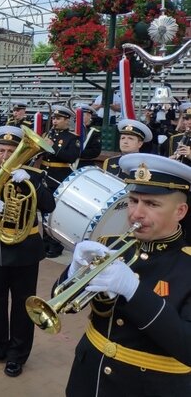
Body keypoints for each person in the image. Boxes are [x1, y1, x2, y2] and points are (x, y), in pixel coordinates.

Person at [62, 153, 191, 396]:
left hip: (149, 387)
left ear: (180, 211)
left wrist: (134, 292)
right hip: (89, 377)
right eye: (133, 200)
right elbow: (64, 305)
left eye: (151, 204)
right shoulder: (109, 244)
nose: (136, 213)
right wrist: (74, 270)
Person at [0, 125, 56, 378]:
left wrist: (32, 185)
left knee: (21, 304)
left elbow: (50, 205)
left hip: (25, 249)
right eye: (1, 150)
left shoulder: (35, 175)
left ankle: (17, 354)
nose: (5, 156)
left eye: (10, 150)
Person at [41, 105, 80, 258]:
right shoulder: (48, 134)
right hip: (45, 174)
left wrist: (52, 148)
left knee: (54, 212)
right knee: (44, 210)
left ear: (66, 120)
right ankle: (45, 243)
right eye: (54, 118)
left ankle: (55, 245)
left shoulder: (72, 138)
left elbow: (71, 157)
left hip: (59, 176)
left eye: (58, 119)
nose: (54, 121)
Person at [75, 104, 102, 169]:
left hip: (84, 165)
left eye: (82, 115)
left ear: (89, 116)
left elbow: (95, 151)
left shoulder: (94, 132)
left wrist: (77, 153)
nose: (78, 117)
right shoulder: (72, 130)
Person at [167, 103, 191, 167]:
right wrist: (170, 160)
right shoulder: (174, 138)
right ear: (183, 121)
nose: (189, 122)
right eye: (187, 119)